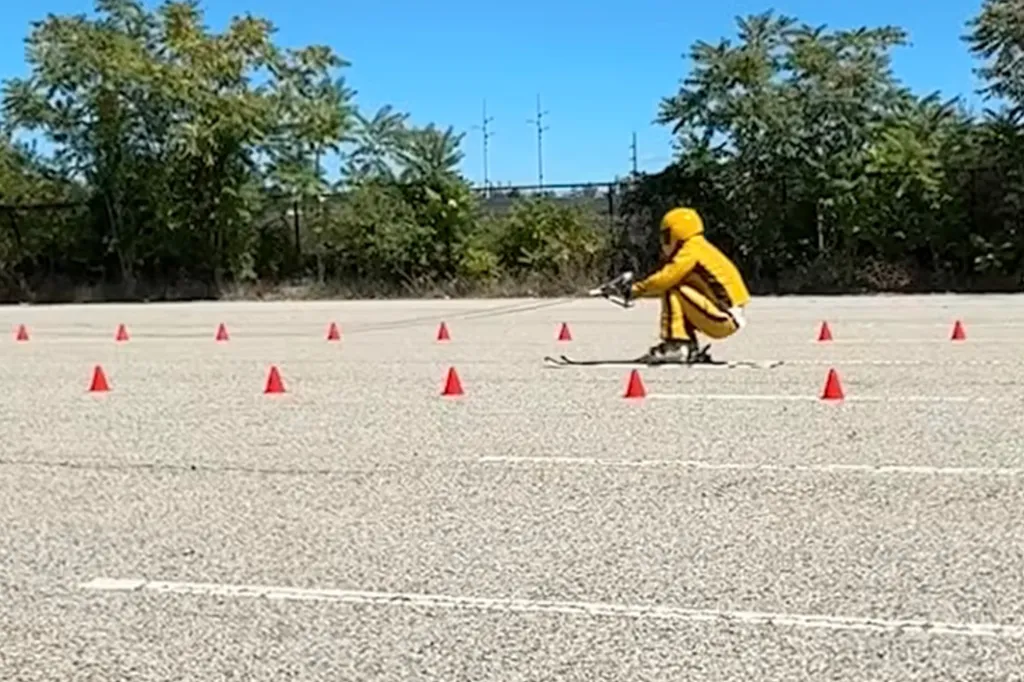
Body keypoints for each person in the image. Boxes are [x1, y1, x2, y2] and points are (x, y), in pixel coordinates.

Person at [626, 207, 751, 364]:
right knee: (681, 293)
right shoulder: (700, 247)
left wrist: (634, 290)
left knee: (672, 288)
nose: (664, 242)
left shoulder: (690, 251)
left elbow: (666, 278)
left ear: (676, 233)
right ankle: (688, 346)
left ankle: (676, 345)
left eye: (666, 235)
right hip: (727, 314)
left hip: (723, 317)